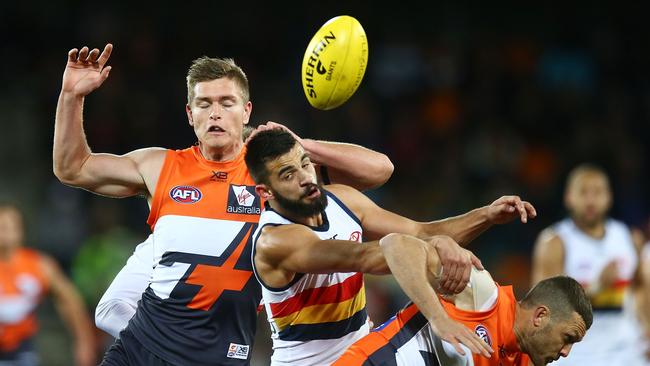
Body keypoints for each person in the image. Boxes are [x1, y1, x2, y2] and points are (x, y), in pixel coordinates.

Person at [53, 43, 397, 365]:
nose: (215, 113)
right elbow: (73, 168)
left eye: (227, 102)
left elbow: (379, 170)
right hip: (142, 348)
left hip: (221, 354)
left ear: (246, 111)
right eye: (204, 104)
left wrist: (301, 144)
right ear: (190, 114)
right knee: (110, 310)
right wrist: (72, 96)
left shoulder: (277, 172)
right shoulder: (160, 167)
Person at [244, 129, 537, 364]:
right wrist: (439, 313)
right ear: (265, 192)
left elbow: (420, 230)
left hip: (364, 351)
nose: (305, 178)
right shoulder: (277, 240)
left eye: (305, 164)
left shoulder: (343, 200)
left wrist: (486, 215)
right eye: (287, 175)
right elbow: (373, 256)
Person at [335, 233, 593, 366]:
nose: (565, 352)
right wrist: (439, 319)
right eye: (568, 338)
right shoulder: (483, 294)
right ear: (540, 316)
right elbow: (396, 245)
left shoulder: (524, 361)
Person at [531, 164, 649, 365]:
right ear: (569, 197)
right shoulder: (555, 242)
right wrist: (596, 287)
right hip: (576, 352)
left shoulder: (629, 238)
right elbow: (542, 303)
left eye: (597, 192)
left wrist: (647, 329)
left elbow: (640, 288)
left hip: (626, 350)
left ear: (609, 197)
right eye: (583, 192)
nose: (591, 200)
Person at [0, 204, 95, 366]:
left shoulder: (39, 266)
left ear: (21, 230)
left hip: (22, 350)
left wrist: (84, 342)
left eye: (10, 227)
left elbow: (70, 301)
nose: (5, 232)